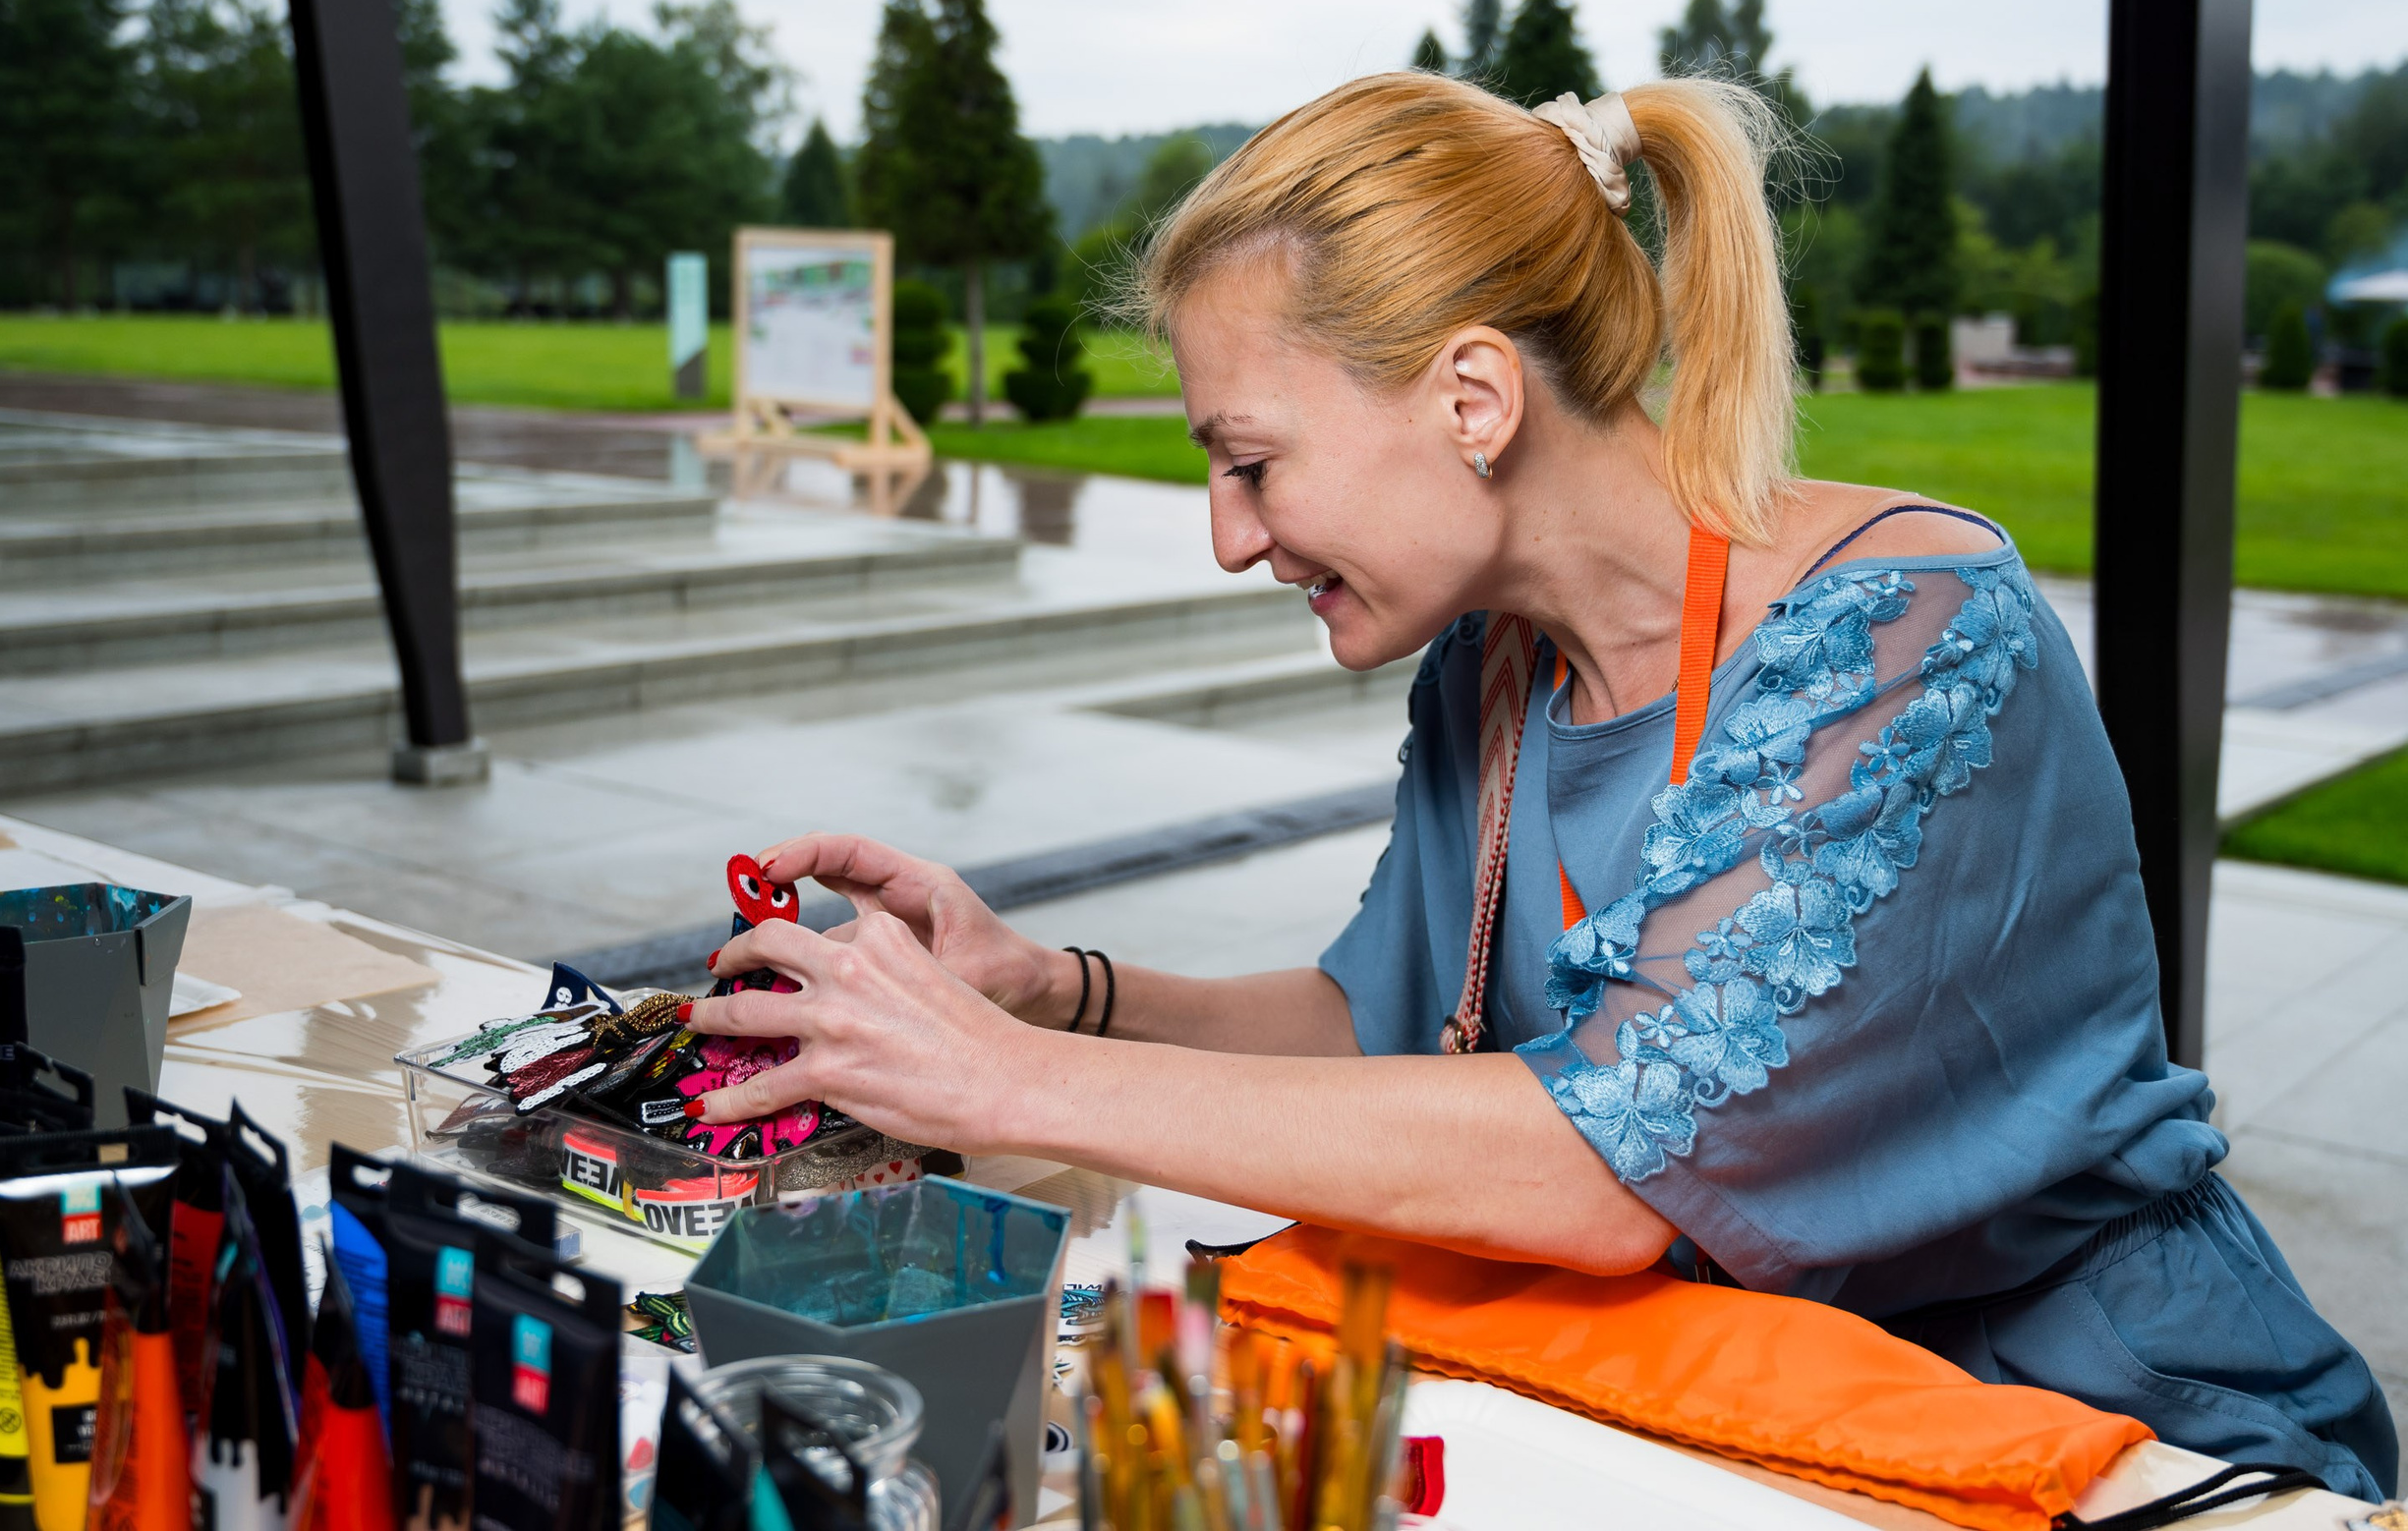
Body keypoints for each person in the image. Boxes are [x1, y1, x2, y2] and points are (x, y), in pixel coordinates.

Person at [682, 72, 2394, 1500]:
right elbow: (1385, 1031)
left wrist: (1003, 1081)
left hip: (2098, 1438)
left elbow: (1591, 1166)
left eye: (1251, 461)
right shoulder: (1497, 661)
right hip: (1728, 1407)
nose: (1228, 537)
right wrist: (1054, 991)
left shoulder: (1908, 636)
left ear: (1475, 395)